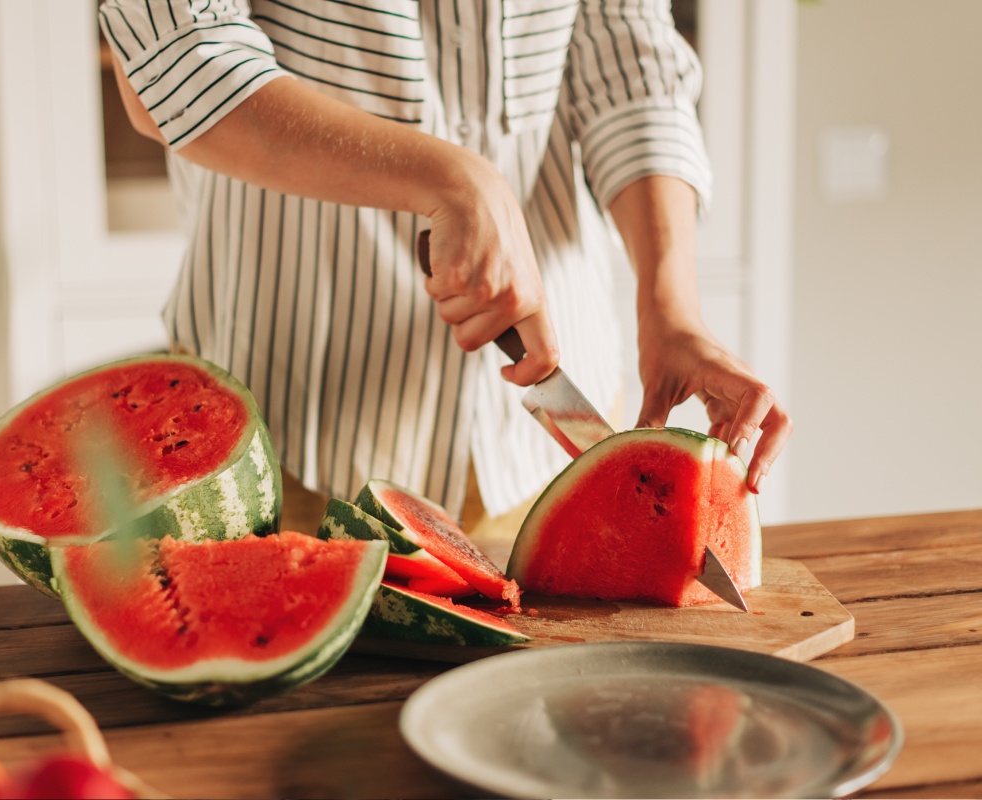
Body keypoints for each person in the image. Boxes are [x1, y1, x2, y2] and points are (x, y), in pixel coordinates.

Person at [98, 0, 792, 535]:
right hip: (281, 426)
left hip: (549, 443)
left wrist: (671, 309)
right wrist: (455, 181)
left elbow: (626, 55)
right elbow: (176, 58)